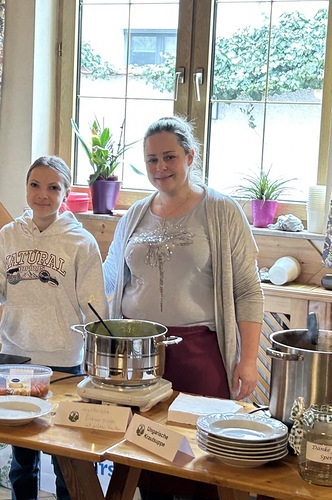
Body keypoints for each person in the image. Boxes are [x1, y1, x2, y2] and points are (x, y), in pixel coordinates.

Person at [103, 116, 263, 500]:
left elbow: (248, 289)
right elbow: (107, 278)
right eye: (152, 159)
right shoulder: (134, 214)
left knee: (201, 462)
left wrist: (249, 360)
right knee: (144, 459)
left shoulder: (221, 211)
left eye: (169, 157)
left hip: (198, 354)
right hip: (138, 357)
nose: (160, 167)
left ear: (190, 156)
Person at [0, 155, 108, 500]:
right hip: (15, 357)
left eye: (53, 187)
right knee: (22, 455)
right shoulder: (9, 235)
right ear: (26, 188)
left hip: (63, 361)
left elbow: (95, 307)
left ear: (66, 193)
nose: (42, 195)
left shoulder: (81, 242)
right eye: (35, 185)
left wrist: (97, 365)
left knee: (65, 454)